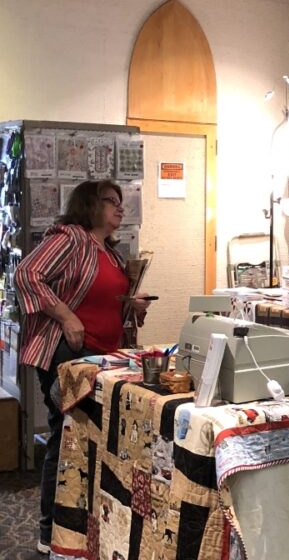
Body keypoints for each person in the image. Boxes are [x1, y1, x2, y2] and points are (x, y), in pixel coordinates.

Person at [15, 179, 152, 554]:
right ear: (89, 205)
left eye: (121, 202)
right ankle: (49, 533)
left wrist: (131, 305)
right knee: (66, 440)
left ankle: (85, 527)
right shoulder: (71, 238)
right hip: (68, 354)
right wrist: (65, 317)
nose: (120, 208)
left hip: (104, 357)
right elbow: (26, 274)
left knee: (92, 444)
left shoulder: (111, 252)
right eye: (111, 201)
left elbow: (104, 301)